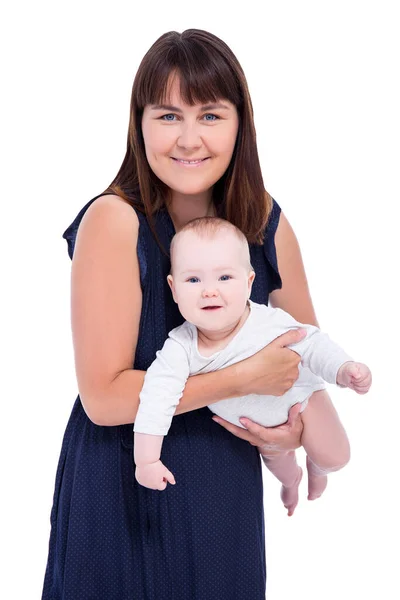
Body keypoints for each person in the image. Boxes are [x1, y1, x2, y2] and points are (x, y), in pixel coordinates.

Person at [42, 28, 337, 599]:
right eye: (168, 115)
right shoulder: (115, 219)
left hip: (223, 487)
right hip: (122, 485)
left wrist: (291, 432)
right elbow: (103, 398)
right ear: (140, 123)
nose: (188, 139)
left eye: (209, 115)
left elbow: (301, 358)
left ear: (239, 125)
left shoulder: (265, 224)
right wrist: (241, 378)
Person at [133, 217, 372, 516]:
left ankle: (317, 466)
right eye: (193, 280)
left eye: (224, 278)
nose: (209, 290)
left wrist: (343, 368)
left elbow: (312, 343)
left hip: (302, 400)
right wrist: (147, 460)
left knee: (335, 456)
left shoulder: (267, 323)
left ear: (249, 282)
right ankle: (293, 480)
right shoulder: (180, 349)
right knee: (283, 470)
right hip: (256, 431)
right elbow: (156, 400)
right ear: (174, 288)